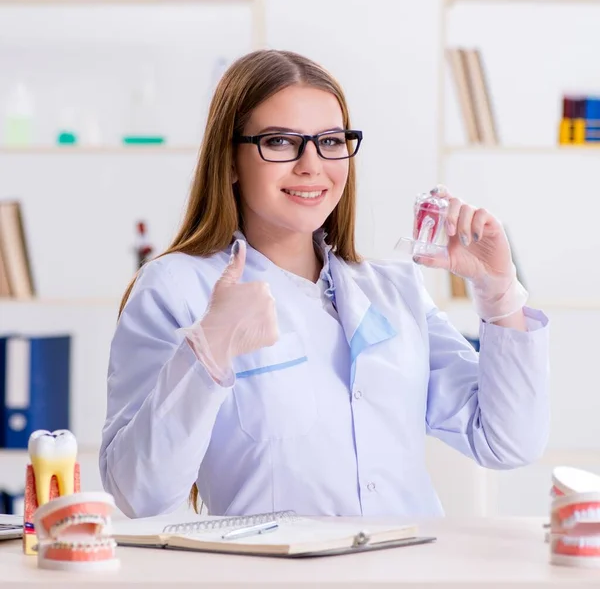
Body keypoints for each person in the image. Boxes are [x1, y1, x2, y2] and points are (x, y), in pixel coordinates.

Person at [99, 49, 550, 520]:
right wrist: (207, 352)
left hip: (410, 568)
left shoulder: (394, 289)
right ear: (229, 161)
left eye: (331, 141)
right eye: (279, 141)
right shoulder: (177, 288)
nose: (312, 164)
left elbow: (506, 442)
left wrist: (500, 295)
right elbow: (137, 494)